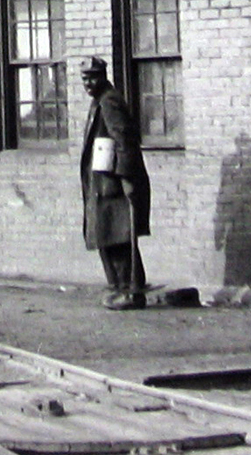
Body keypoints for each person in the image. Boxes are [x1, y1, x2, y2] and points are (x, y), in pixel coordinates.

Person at [79, 56, 152, 311]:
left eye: (93, 77)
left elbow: (124, 141)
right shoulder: (99, 101)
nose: (89, 83)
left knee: (119, 236)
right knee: (107, 236)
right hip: (103, 183)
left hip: (114, 185)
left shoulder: (109, 101)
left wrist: (126, 179)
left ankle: (131, 291)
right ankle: (118, 287)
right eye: (85, 78)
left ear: (104, 75)